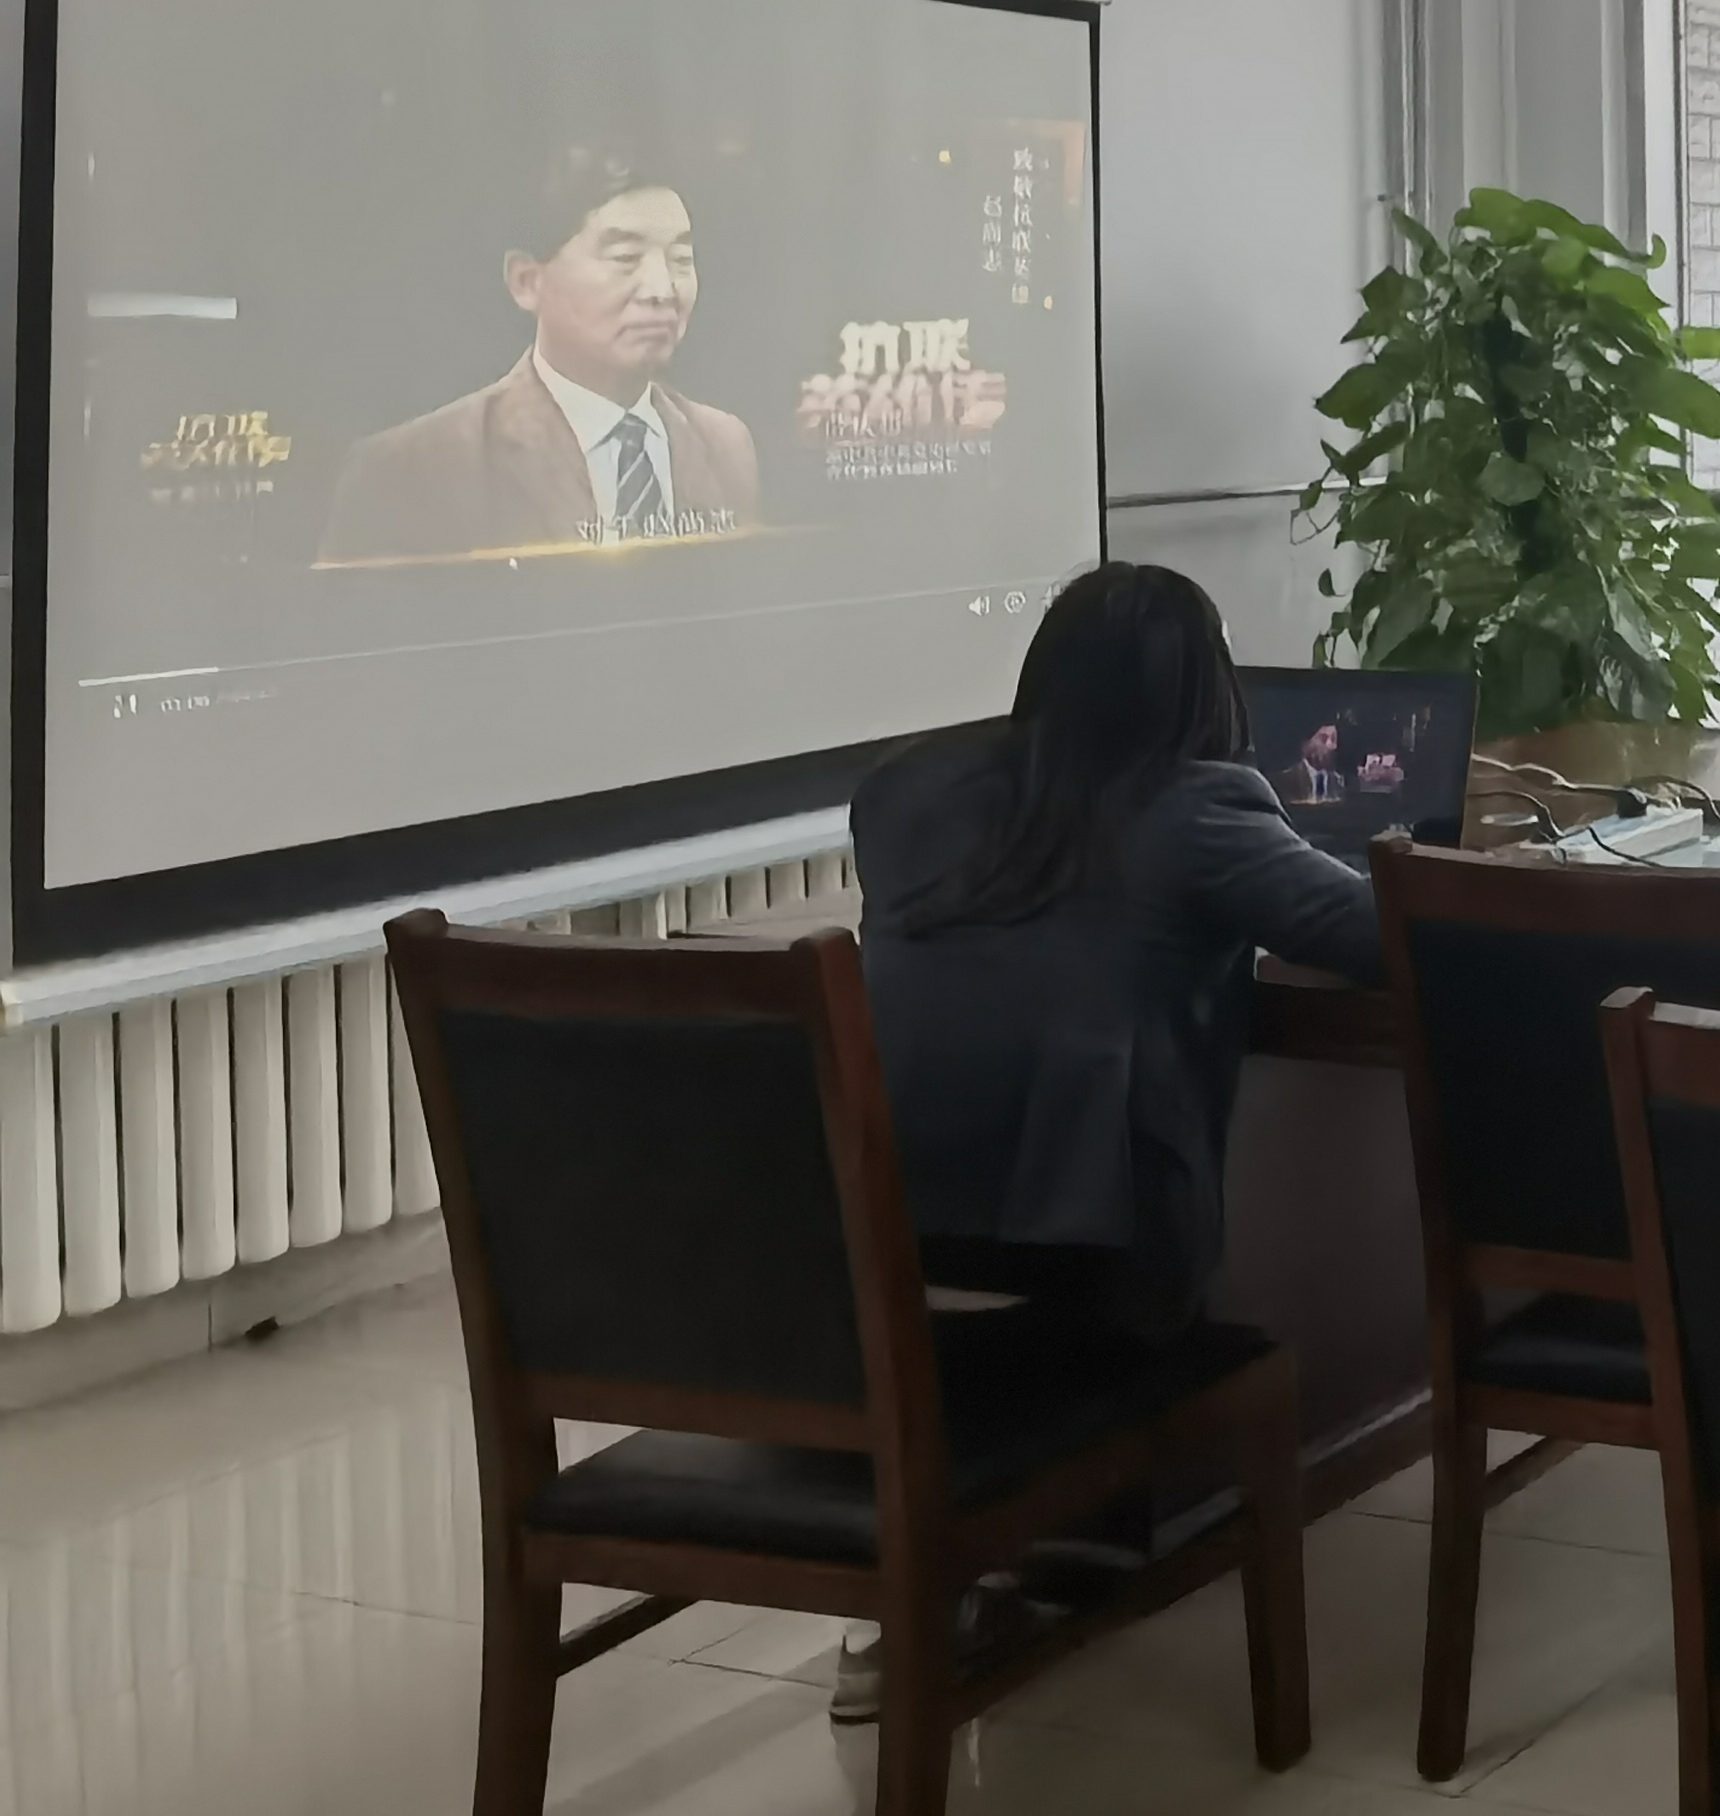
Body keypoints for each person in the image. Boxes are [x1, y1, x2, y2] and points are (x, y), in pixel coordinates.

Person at [847, 562, 1386, 1727]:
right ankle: (1071, 1529)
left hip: (875, 1257)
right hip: (1094, 1279)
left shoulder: (903, 792)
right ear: (1206, 687)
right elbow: (1377, 936)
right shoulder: (1197, 809)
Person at [319, 145, 764, 561]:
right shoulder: (412, 470)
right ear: (527, 282)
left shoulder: (726, 445)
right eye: (626, 258)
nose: (662, 290)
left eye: (681, 260)